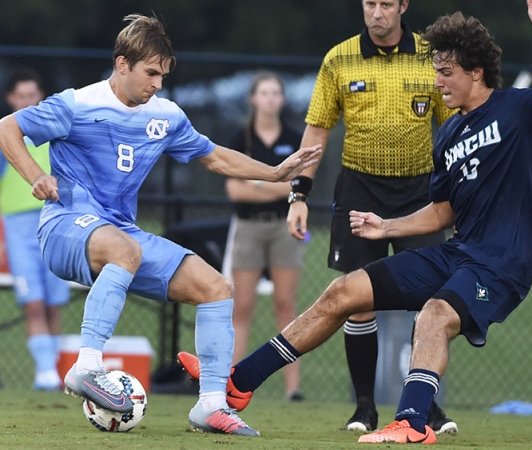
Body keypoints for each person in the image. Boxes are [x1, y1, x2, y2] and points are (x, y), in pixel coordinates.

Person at [179, 0, 532, 444]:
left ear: (476, 72)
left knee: (433, 314)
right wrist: (387, 226)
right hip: (458, 253)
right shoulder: (448, 134)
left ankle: (412, 422)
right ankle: (240, 383)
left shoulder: (520, 108)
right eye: (435, 71)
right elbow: (442, 212)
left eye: (446, 72)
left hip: (501, 263)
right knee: (344, 291)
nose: (438, 81)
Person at [0, 14, 320, 437]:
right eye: (150, 73)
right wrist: (35, 176)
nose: (157, 84)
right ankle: (87, 366)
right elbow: (8, 127)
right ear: (121, 64)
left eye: (163, 75)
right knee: (124, 249)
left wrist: (275, 173)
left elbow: (214, 156)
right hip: (63, 228)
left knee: (217, 288)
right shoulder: (77, 103)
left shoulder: (166, 115)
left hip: (121, 237)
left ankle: (209, 406)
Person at [286, 0, 456, 433]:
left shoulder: (431, 56)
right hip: (360, 189)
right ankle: (364, 407)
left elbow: (454, 125)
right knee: (357, 301)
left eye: (385, 3)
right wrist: (299, 193)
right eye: (369, 4)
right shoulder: (338, 58)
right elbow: (317, 129)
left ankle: (426, 407)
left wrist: (463, 190)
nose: (376, 13)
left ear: (402, 6)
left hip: (420, 191)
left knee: (432, 301)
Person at [224, 72, 305, 401]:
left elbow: (297, 185)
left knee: (286, 306)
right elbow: (234, 190)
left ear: (282, 99)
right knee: (241, 306)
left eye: (276, 93)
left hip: (284, 226)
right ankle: (230, 383)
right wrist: (274, 185)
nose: (270, 99)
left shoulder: (294, 137)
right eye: (264, 93)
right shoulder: (240, 138)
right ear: (253, 99)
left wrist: (258, 184)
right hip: (247, 227)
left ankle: (292, 388)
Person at [0, 69, 70, 391]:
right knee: (33, 302)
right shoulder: (3, 139)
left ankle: (52, 369)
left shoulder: (56, 135)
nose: (28, 101)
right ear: (11, 98)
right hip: (18, 230)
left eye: (33, 95)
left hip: (55, 225)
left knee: (54, 302)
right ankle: (45, 371)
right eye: (22, 95)